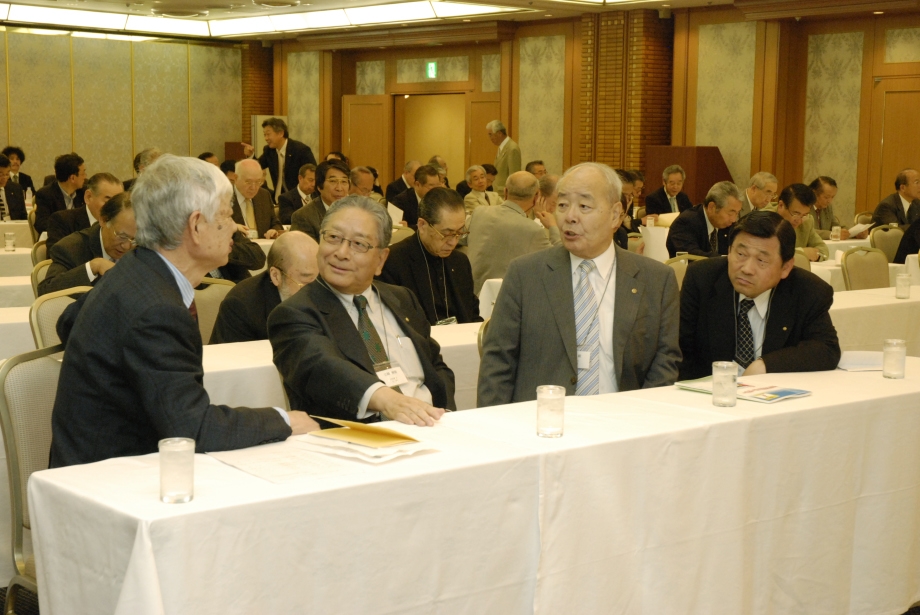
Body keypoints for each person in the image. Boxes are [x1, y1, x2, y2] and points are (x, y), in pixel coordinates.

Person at [48, 155, 318, 468]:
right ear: (196, 226)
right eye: (227, 214)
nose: (234, 226)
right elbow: (194, 429)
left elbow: (68, 322)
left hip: (97, 459)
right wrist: (284, 420)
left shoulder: (134, 269)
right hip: (111, 475)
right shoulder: (157, 309)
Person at [477, 162, 680, 406]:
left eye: (584, 206)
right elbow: (497, 362)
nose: (570, 217)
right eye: (562, 205)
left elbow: (665, 361)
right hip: (542, 419)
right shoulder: (525, 274)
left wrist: (638, 416)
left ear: (615, 214)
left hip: (623, 418)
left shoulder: (656, 280)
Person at [268, 195, 456, 427]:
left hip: (432, 426)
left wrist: (445, 414)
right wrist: (389, 401)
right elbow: (324, 368)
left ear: (381, 260)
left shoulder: (402, 298)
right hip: (359, 436)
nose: (341, 252)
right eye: (333, 237)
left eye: (358, 244)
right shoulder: (294, 313)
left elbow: (436, 366)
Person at [678, 210, 840, 380]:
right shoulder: (702, 279)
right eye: (741, 254)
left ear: (785, 267)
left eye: (761, 260)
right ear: (729, 251)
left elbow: (826, 349)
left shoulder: (808, 291)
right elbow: (679, 347)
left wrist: (766, 365)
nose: (747, 269)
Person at [378, 188, 481, 325]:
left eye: (459, 232)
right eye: (447, 233)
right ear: (422, 225)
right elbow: (391, 323)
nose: (453, 242)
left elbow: (472, 314)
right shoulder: (393, 262)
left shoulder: (460, 261)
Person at [210, 231, 319, 344]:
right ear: (276, 276)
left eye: (320, 279)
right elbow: (233, 354)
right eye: (306, 281)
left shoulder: (326, 292)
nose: (316, 290)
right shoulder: (241, 305)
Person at [467, 171, 561, 294]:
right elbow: (559, 260)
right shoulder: (532, 229)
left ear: (505, 192)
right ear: (537, 195)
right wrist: (553, 226)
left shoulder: (479, 212)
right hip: (502, 296)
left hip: (469, 291)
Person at [39, 192, 136, 296]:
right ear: (103, 220)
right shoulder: (71, 248)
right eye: (122, 236)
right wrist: (93, 267)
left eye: (135, 239)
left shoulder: (142, 248)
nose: (127, 246)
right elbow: (46, 291)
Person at [243, 117, 317, 201]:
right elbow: (258, 167)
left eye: (268, 134)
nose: (266, 138)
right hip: (278, 199)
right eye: (264, 135)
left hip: (299, 200)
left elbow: (314, 173)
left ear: (281, 133)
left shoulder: (300, 150)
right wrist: (251, 155)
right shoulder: (269, 151)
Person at [45, 172, 123, 252]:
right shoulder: (63, 221)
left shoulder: (123, 225)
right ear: (88, 197)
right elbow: (56, 254)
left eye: (118, 203)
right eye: (108, 201)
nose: (114, 208)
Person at [665, 181, 741, 258]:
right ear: (712, 207)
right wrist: (727, 259)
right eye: (731, 213)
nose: (734, 219)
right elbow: (692, 256)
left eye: (737, 213)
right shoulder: (686, 223)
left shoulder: (728, 226)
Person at [290, 159, 350, 241]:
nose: (339, 188)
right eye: (333, 181)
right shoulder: (303, 217)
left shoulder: (355, 212)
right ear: (319, 186)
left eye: (344, 181)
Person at [772, 183, 828, 262]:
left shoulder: (807, 221)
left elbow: (823, 249)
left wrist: (815, 255)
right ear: (781, 206)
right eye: (796, 214)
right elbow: (767, 254)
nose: (799, 220)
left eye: (805, 215)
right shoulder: (765, 219)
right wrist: (801, 252)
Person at [33, 153, 86, 235]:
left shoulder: (84, 193)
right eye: (83, 174)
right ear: (72, 178)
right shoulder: (45, 194)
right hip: (57, 239)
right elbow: (42, 224)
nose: (85, 177)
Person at [232, 159, 283, 239]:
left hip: (262, 245)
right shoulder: (223, 197)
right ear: (235, 178)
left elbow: (275, 222)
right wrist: (232, 227)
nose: (253, 187)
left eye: (258, 182)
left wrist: (274, 231)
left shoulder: (263, 195)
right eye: (248, 182)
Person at [487, 120, 521, 193]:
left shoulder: (512, 148)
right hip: (498, 192)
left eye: (490, 134)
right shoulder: (502, 147)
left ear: (499, 133)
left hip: (505, 193)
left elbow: (514, 176)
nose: (490, 138)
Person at [0, 154, 26, 221]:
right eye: (1, 175)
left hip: (13, 225)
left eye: (7, 174)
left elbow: (23, 217)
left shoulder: (16, 188)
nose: (4, 178)